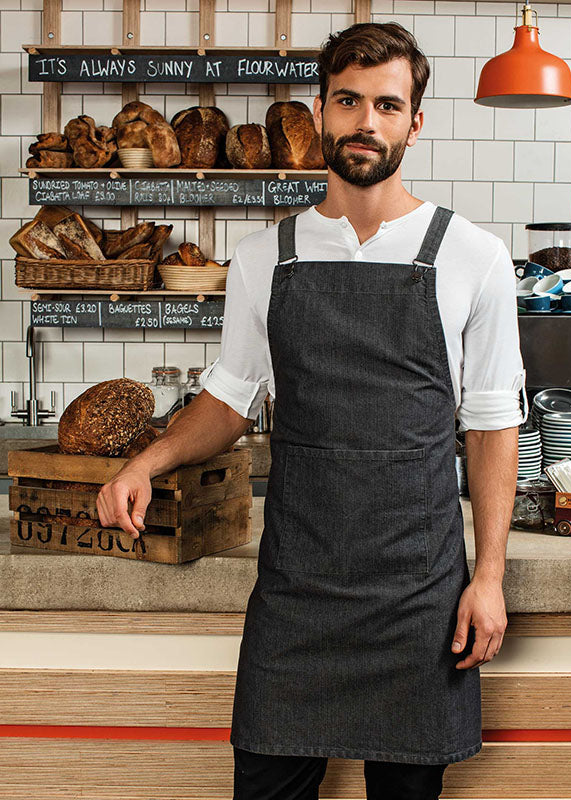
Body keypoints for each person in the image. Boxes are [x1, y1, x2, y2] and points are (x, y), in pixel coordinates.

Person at [97, 21, 528, 800]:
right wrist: (147, 460)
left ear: (413, 123)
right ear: (322, 112)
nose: (367, 122)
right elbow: (228, 398)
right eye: (348, 101)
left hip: (417, 590)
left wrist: (488, 575)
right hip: (297, 592)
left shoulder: (472, 256)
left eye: (387, 106)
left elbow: (492, 422)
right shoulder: (267, 257)